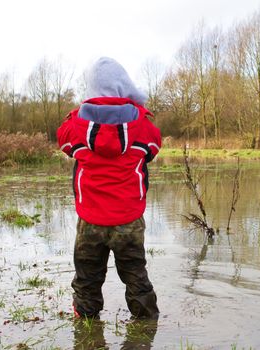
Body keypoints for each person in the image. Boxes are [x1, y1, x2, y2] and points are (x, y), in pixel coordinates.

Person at [57, 57, 161, 319]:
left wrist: (79, 113)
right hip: (128, 219)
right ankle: (146, 327)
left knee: (87, 277)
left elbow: (63, 140)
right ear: (124, 85)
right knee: (136, 274)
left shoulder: (76, 127)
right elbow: (153, 147)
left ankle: (86, 330)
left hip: (90, 219)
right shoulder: (142, 127)